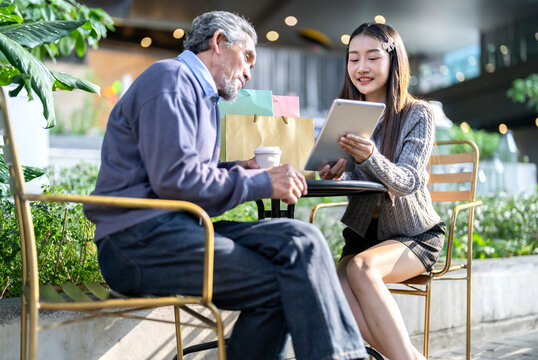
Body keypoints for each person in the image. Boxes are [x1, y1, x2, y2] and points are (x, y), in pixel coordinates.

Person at [83, 11, 367, 360]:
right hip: (136, 243)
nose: (249, 72)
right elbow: (177, 181)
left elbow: (186, 178)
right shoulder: (171, 79)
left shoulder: (202, 96)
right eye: (247, 57)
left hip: (173, 229)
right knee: (281, 285)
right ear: (217, 42)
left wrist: (238, 169)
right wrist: (260, 181)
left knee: (301, 238)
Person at [318, 22, 446, 360]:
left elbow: (407, 181)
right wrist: (338, 173)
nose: (361, 67)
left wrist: (369, 156)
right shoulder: (347, 115)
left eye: (372, 57)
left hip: (413, 235)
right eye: (353, 58)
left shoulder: (418, 113)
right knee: (335, 283)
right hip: (364, 237)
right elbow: (362, 186)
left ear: (393, 62)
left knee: (361, 269)